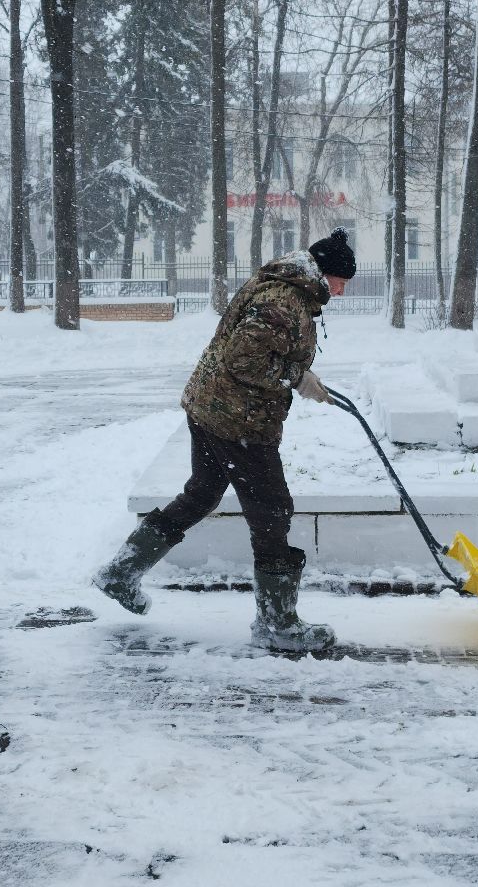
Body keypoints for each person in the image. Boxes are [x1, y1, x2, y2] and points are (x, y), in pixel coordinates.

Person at [93, 228, 356, 652]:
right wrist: (296, 377)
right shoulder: (283, 299)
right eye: (342, 283)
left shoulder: (287, 287)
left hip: (213, 408)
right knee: (272, 510)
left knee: (201, 494)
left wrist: (300, 376)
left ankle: (120, 573)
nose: (341, 293)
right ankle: (277, 624)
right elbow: (242, 360)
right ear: (325, 274)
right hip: (239, 421)